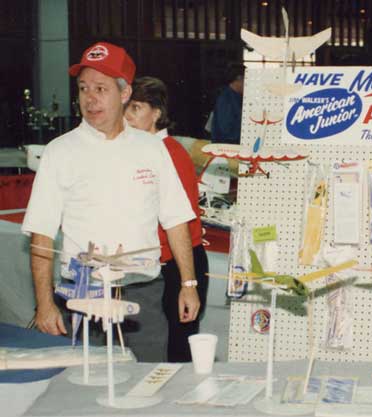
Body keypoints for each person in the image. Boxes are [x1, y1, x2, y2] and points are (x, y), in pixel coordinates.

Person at [22, 42, 200, 353]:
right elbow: (41, 236)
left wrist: (188, 285)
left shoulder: (152, 149)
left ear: (125, 94)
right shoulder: (59, 152)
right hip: (81, 295)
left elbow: (175, 220)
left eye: (101, 89)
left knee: (145, 387)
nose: (90, 99)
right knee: (79, 391)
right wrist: (44, 304)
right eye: (83, 88)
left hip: (143, 295)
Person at [125, 76, 209, 362]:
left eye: (136, 108)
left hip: (179, 263)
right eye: (126, 108)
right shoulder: (141, 151)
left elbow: (179, 222)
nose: (128, 117)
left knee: (176, 352)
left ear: (156, 113)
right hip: (157, 263)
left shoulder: (170, 153)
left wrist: (188, 284)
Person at [210, 65, 244, 144]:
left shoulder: (237, 96)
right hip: (225, 148)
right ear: (239, 78)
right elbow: (227, 131)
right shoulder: (225, 98)